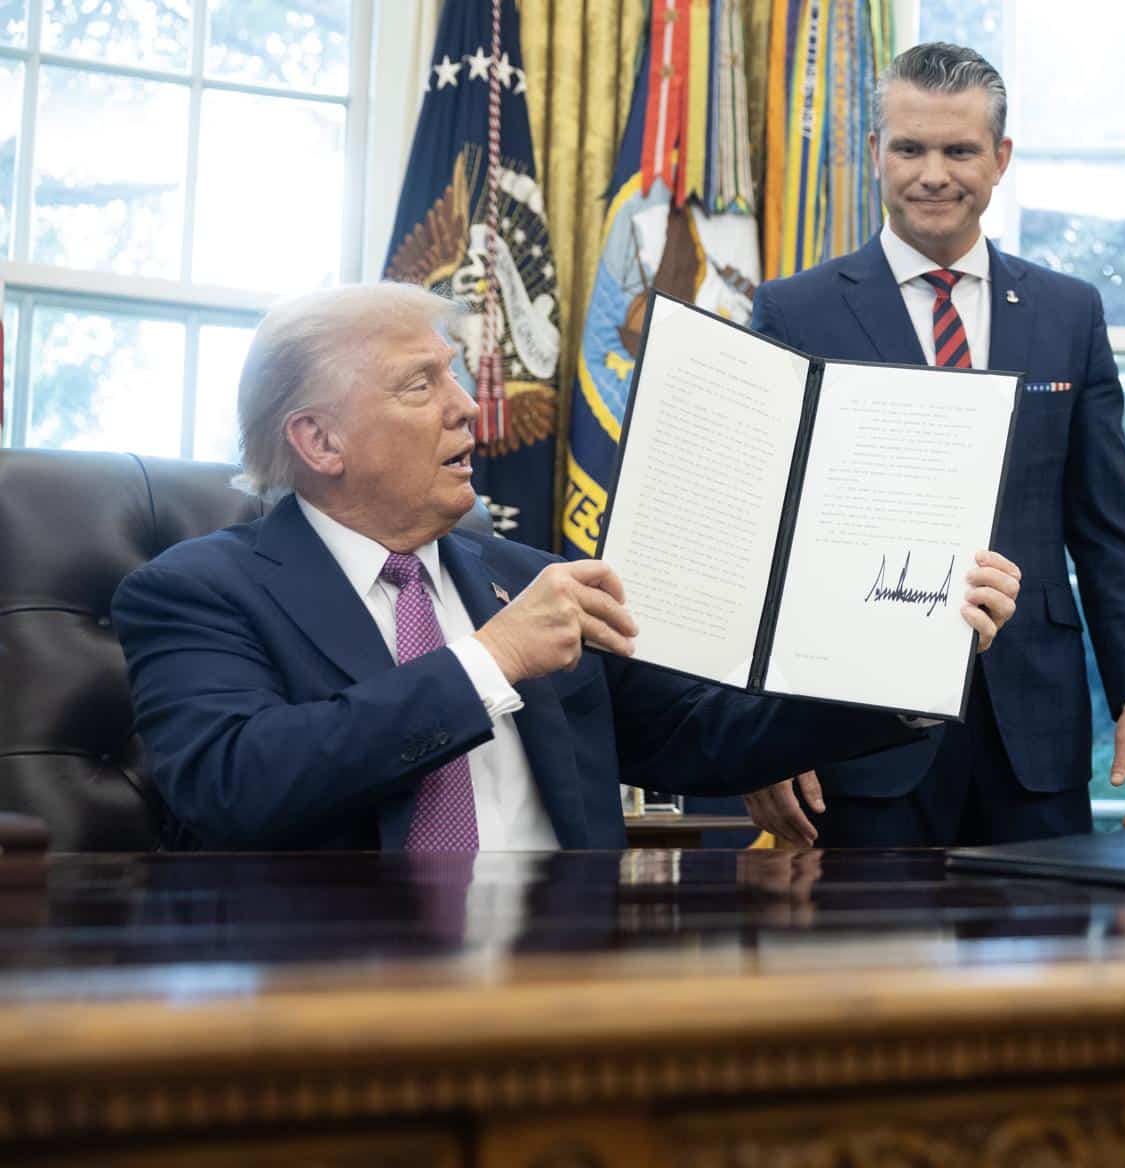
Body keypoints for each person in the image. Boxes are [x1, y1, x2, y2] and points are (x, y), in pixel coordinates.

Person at [111, 283, 1022, 851]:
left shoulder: (520, 575)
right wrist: (488, 662)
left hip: (574, 977)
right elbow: (233, 788)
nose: (470, 408)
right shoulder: (198, 592)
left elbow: (706, 734)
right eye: (420, 385)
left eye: (456, 376)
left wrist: (911, 659)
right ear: (318, 439)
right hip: (344, 997)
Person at [742, 41, 1125, 849]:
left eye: (959, 150)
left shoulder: (1068, 313)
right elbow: (757, 536)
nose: (933, 173)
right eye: (910, 148)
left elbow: (1110, 529)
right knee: (871, 968)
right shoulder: (794, 312)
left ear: (1000, 158)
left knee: (1044, 968)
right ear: (877, 153)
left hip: (1033, 735)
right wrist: (761, 732)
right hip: (850, 737)